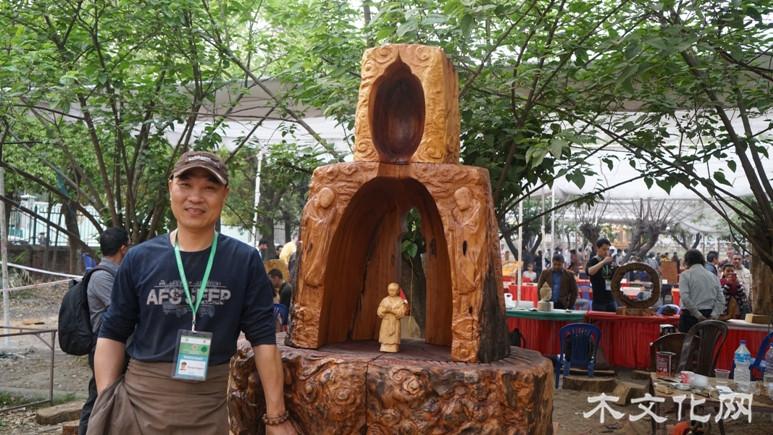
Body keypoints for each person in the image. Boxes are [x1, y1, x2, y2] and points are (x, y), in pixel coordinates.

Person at [89, 151, 295, 434]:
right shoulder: (139, 258)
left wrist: (276, 417)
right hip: (139, 407)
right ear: (170, 187)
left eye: (209, 188)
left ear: (224, 194)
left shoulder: (243, 260)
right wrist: (108, 403)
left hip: (213, 407)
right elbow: (113, 333)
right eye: (185, 185)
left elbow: (263, 341)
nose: (195, 198)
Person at [79, 227, 129, 435]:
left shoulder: (117, 273)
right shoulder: (101, 277)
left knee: (108, 396)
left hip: (117, 346)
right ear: (123, 248)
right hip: (103, 347)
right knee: (98, 398)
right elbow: (122, 310)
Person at [678, 249, 725, 333]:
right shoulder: (713, 276)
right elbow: (721, 299)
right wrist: (714, 315)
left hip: (689, 317)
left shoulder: (685, 275)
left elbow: (685, 298)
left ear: (687, 261)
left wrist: (698, 315)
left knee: (688, 341)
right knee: (707, 341)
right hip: (709, 315)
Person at [586, 238, 616, 312]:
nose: (606, 252)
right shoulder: (593, 260)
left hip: (610, 298)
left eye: (608, 249)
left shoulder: (609, 262)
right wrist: (603, 262)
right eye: (604, 249)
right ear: (597, 248)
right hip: (599, 300)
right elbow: (590, 271)